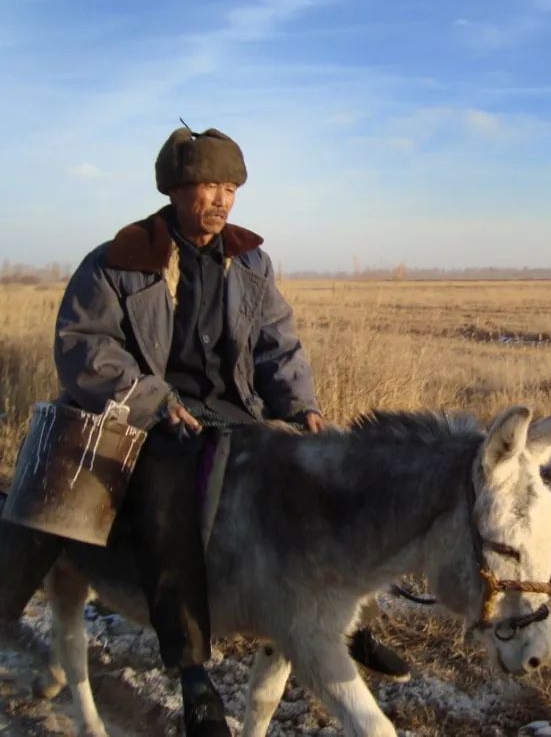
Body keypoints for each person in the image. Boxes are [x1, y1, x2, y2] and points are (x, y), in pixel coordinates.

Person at [41, 126, 407, 735]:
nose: (221, 200)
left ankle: (345, 626)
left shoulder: (251, 261)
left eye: (231, 187)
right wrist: (152, 402)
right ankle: (191, 670)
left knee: (324, 483)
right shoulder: (119, 262)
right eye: (208, 185)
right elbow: (86, 349)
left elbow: (278, 344)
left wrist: (299, 407)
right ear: (176, 190)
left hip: (236, 412)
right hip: (155, 416)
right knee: (165, 499)